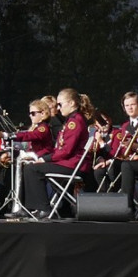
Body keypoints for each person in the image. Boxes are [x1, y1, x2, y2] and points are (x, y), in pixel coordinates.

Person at [20, 88, 93, 217]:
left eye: (60, 104)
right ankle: (33, 208)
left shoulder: (75, 122)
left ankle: (43, 208)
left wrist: (45, 159)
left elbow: (66, 151)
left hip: (73, 165)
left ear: (71, 103)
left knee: (32, 169)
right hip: (68, 163)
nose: (58, 108)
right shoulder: (72, 120)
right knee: (30, 167)